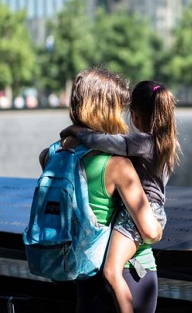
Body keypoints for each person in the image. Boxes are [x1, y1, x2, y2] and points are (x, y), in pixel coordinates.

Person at [39, 67, 163, 313]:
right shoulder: (117, 165)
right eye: (119, 108)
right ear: (106, 110)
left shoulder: (51, 156)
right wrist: (160, 226)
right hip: (132, 276)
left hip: (83, 276)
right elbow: (150, 231)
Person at [61, 80, 179, 313]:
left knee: (112, 270)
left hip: (143, 212)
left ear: (135, 115)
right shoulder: (165, 142)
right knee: (114, 269)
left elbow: (108, 142)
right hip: (152, 214)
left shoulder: (144, 143)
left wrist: (76, 131)